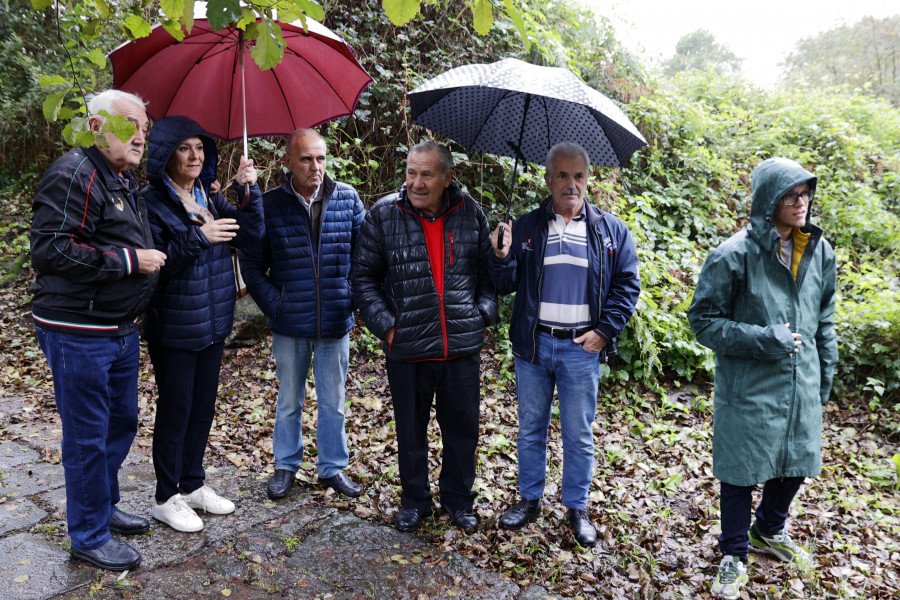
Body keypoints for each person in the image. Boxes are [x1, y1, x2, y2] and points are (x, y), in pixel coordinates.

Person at [688, 157, 837, 599]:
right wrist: (761, 338)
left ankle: (768, 529)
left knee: (797, 461)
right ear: (768, 200)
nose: (801, 201)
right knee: (739, 470)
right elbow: (703, 321)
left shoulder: (820, 252)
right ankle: (733, 553)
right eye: (791, 194)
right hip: (748, 383)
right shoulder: (734, 254)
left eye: (805, 193)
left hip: (801, 378)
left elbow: (825, 317)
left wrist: (824, 375)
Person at [30, 89, 166, 570]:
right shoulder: (73, 173)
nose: (139, 136)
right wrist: (130, 261)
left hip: (117, 329)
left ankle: (102, 507)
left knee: (120, 423)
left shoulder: (121, 179)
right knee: (87, 435)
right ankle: (87, 534)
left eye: (144, 128)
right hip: (77, 330)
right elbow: (50, 251)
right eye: (129, 124)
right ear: (96, 126)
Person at [488, 141, 640, 547]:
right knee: (531, 428)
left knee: (578, 432)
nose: (571, 184)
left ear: (587, 180)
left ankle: (577, 507)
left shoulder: (610, 231)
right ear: (548, 179)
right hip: (535, 347)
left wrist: (605, 331)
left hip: (580, 350)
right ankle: (529, 499)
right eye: (562, 176)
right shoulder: (525, 227)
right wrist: (501, 256)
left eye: (578, 176)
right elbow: (504, 286)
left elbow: (627, 286)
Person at [352, 141, 498, 534]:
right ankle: (414, 500)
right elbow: (363, 278)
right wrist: (387, 325)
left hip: (460, 346)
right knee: (411, 431)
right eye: (411, 173)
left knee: (462, 432)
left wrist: (482, 314)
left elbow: (488, 277)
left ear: (447, 178)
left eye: (427, 174)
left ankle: (458, 500)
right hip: (409, 346)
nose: (416, 182)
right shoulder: (383, 215)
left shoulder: (470, 213)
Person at [140, 116, 263, 532]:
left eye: (200, 148)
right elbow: (156, 267)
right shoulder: (150, 202)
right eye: (184, 149)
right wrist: (200, 237)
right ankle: (165, 496)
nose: (195, 156)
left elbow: (252, 234)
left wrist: (248, 189)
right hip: (173, 326)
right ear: (165, 155)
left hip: (212, 322)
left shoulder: (208, 197)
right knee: (175, 410)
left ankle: (192, 485)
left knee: (202, 409)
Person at [240, 128, 366, 500]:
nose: (316, 166)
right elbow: (250, 264)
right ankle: (285, 466)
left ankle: (332, 468)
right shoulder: (271, 203)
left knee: (333, 401)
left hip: (334, 320)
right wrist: (274, 304)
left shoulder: (347, 198)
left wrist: (350, 296)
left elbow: (365, 259)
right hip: (289, 321)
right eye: (307, 158)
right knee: (289, 400)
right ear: (287, 162)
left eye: (322, 158)